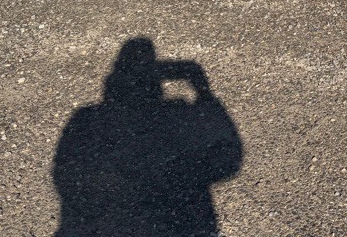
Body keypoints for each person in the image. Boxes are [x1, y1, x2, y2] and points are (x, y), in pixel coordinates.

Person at [53, 38, 242, 236]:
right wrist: (203, 92)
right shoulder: (89, 117)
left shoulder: (86, 117)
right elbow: (229, 161)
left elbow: (65, 173)